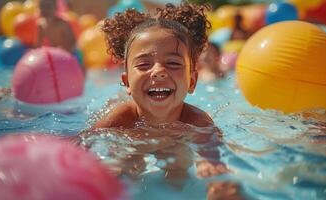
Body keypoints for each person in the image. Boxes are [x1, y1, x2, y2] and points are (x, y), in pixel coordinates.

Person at [83, 3, 241, 196]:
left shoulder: (196, 121)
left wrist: (212, 167)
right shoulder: (121, 119)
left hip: (175, 143)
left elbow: (213, 153)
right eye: (144, 64)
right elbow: (82, 144)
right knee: (124, 170)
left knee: (179, 170)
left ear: (192, 82)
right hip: (133, 141)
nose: (158, 71)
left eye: (173, 63)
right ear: (127, 83)